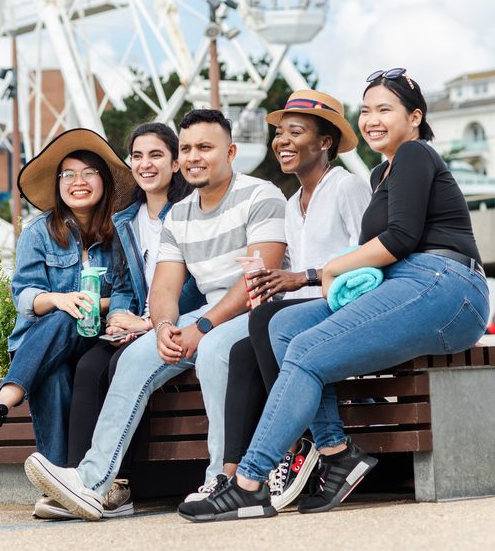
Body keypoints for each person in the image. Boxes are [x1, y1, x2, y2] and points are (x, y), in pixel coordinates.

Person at [179, 69, 489, 522]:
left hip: (448, 285)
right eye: (366, 110)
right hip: (412, 283)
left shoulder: (415, 154)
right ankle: (336, 450)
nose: (372, 119)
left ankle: (248, 483)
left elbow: (401, 238)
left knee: (304, 349)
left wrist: (330, 269)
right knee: (282, 325)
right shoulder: (384, 171)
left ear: (415, 116)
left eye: (385, 109)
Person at [22, 107, 288, 520]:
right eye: (188, 148)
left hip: (258, 311)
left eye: (206, 147)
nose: (195, 156)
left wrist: (202, 325)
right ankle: (91, 483)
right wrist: (163, 327)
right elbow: (164, 285)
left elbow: (259, 276)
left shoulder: (260, 194)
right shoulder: (179, 215)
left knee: (216, 349)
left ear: (231, 151)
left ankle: (222, 480)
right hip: (203, 314)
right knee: (134, 357)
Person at [32, 121, 202, 520]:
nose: (146, 164)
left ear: (175, 163)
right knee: (90, 366)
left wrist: (147, 324)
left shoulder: (190, 212)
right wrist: (122, 315)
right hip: (135, 323)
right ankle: (75, 483)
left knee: (121, 366)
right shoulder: (127, 219)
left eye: (157, 155)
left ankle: (118, 487)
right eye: (138, 156)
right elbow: (124, 280)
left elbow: (196, 282)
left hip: (175, 322)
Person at [222, 90, 370, 511]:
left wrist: (299, 277)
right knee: (240, 352)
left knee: (267, 322)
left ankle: (300, 443)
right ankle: (231, 473)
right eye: (279, 132)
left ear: (325, 142)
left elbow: (372, 264)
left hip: (343, 312)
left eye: (295, 132)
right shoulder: (291, 203)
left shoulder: (347, 188)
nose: (281, 141)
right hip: (302, 316)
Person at [0, 128, 136, 468]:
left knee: (68, 317)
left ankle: (2, 402)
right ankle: (62, 479)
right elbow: (25, 297)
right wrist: (59, 300)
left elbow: (124, 292)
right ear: (59, 184)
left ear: (103, 181)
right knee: (54, 373)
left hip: (98, 340)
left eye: (89, 173)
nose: (79, 181)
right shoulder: (38, 232)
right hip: (43, 341)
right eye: (69, 174)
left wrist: (89, 305)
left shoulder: (120, 234)